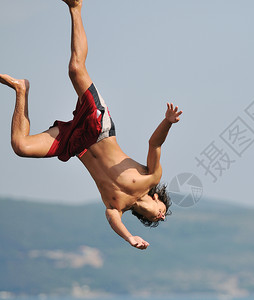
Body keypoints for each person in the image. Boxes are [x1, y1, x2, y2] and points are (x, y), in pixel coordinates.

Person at [0, 0, 182, 250]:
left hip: (76, 145)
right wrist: (168, 122)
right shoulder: (150, 177)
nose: (161, 216)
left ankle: (21, 88)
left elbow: (112, 219)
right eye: (163, 211)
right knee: (75, 69)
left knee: (20, 146)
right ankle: (75, 7)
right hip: (99, 127)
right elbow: (155, 143)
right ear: (157, 198)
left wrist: (130, 238)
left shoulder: (116, 205)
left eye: (157, 219)